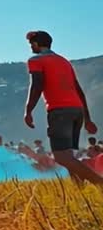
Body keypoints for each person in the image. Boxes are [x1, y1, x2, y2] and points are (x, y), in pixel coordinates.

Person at [23, 30, 103, 185]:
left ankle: (99, 183)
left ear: (36, 44)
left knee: (61, 157)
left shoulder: (36, 60)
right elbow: (78, 89)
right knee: (69, 157)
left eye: (31, 44)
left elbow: (37, 85)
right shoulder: (64, 61)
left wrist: (28, 110)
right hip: (77, 110)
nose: (31, 47)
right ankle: (79, 191)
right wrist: (87, 118)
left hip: (59, 110)